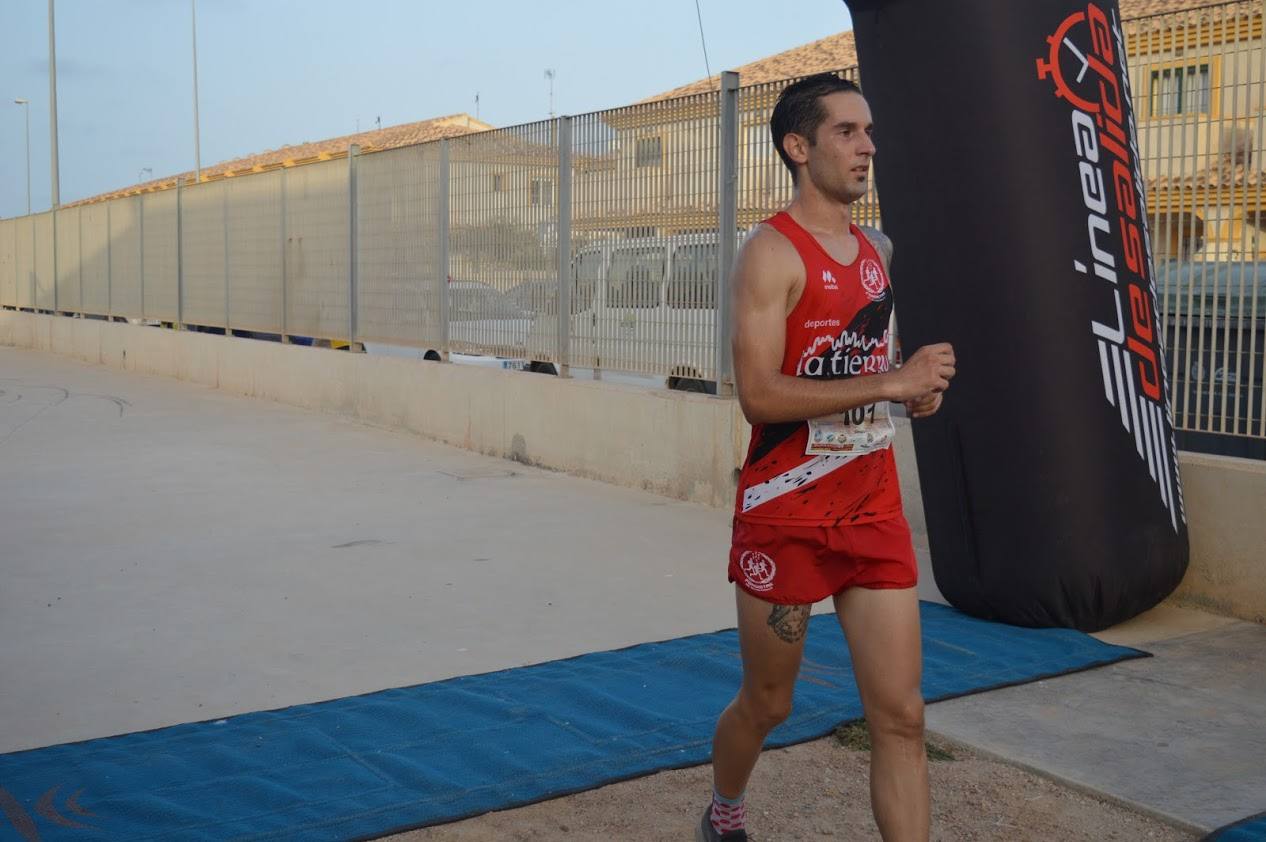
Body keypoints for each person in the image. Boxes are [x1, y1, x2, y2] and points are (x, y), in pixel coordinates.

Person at [698, 73, 956, 842]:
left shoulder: (878, 248)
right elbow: (760, 395)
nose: (867, 145)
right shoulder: (768, 256)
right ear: (798, 146)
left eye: (868, 130)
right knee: (769, 703)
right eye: (847, 131)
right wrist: (889, 379)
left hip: (871, 511)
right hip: (786, 516)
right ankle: (725, 812)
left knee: (902, 716)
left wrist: (914, 390)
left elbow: (865, 360)